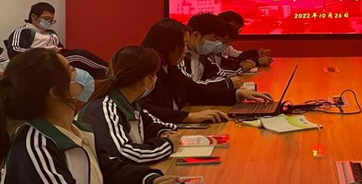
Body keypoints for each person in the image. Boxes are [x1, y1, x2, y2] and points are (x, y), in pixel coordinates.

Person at [0, 48, 185, 184]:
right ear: (55, 92)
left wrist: (149, 179)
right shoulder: (36, 144)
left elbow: (107, 167)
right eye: (72, 70)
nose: (82, 74)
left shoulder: (74, 129)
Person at [140, 19, 271, 125]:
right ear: (168, 45)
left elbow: (195, 91)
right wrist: (188, 117)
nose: (185, 50)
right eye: (183, 45)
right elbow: (144, 109)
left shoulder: (169, 67)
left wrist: (237, 94)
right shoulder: (145, 71)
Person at [78, 46, 182, 165]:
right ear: (147, 80)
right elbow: (124, 153)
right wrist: (168, 145)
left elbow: (153, 125)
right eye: (153, 75)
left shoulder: (132, 103)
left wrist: (165, 132)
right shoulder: (104, 108)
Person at [5, 2, 109, 79]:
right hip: (39, 63)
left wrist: (58, 51)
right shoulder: (22, 32)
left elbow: (61, 49)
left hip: (56, 60)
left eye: (51, 20)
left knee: (91, 71)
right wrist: (48, 52)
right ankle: (111, 69)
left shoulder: (51, 33)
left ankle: (107, 79)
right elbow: (15, 53)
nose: (49, 22)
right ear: (33, 16)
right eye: (46, 18)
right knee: (78, 55)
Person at [184, 14, 249, 89]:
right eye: (213, 40)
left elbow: (218, 74)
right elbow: (191, 88)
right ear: (196, 36)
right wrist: (227, 84)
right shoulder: (182, 57)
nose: (215, 44)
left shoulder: (201, 55)